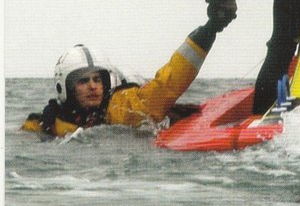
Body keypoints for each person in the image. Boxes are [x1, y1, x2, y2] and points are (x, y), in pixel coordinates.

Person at [22, 21, 218, 137]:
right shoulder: (44, 124)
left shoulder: (121, 107)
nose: (93, 86)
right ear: (65, 88)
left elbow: (166, 85)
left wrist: (206, 34)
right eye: (83, 81)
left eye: (97, 79)